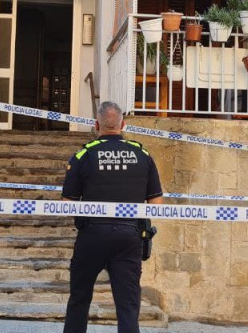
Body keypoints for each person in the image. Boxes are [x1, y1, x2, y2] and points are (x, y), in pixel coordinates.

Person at [61, 101, 163, 333]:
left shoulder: (83, 154)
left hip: (92, 235)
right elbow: (156, 204)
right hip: (129, 236)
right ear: (123, 124)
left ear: (96, 125)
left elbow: (67, 205)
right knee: (128, 306)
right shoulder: (142, 153)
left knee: (79, 299)